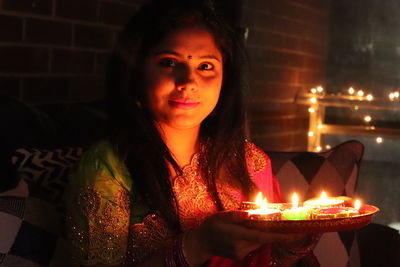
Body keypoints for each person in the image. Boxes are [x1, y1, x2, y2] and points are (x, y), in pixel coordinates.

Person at [65, 1, 319, 266]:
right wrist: (196, 246)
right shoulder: (109, 166)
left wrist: (295, 240)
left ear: (225, 80)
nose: (188, 82)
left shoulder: (250, 163)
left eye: (206, 66)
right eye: (169, 62)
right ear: (136, 75)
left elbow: (274, 260)